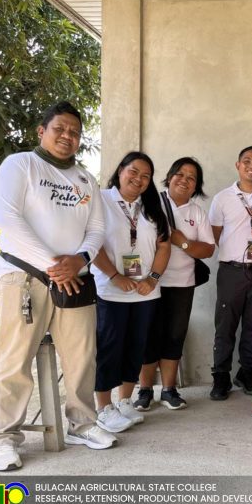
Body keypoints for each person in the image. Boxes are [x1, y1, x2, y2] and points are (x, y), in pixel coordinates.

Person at [0, 101, 115, 471]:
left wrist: (80, 260)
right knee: (14, 359)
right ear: (41, 131)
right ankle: (4, 438)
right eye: (60, 128)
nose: (67, 136)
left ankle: (83, 424)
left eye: (74, 132)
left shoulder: (85, 180)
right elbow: (7, 218)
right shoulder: (20, 165)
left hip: (75, 280)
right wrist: (53, 265)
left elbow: (97, 229)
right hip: (23, 276)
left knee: (81, 357)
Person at [92, 152, 170, 432]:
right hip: (111, 292)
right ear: (121, 170)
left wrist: (153, 278)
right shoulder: (100, 199)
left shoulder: (150, 206)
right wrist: (114, 276)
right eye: (133, 172)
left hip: (145, 292)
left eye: (146, 176)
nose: (138, 179)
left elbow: (164, 245)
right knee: (110, 347)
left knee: (135, 348)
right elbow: (91, 243)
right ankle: (103, 407)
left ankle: (125, 401)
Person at [135, 158, 215, 411]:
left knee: (173, 336)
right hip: (149, 283)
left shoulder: (197, 213)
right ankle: (144, 390)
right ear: (169, 177)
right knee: (148, 336)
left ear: (196, 187)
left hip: (182, 284)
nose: (184, 180)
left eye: (191, 178)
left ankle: (169, 390)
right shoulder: (149, 203)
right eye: (180, 174)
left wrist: (183, 243)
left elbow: (208, 250)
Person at [208, 146, 252, 400]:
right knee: (225, 325)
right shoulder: (222, 198)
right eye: (247, 161)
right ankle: (221, 377)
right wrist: (235, 255)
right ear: (237, 165)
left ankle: (247, 372)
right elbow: (215, 237)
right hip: (232, 271)